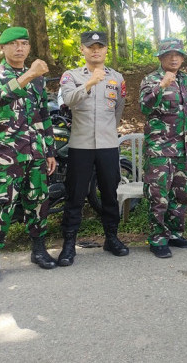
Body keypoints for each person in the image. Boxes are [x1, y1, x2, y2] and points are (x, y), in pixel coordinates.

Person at [0, 26, 57, 284]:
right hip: (7, 154)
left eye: (24, 43)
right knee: (2, 204)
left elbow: (43, 114)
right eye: (14, 44)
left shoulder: (38, 79)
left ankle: (38, 250)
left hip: (36, 151)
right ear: (2, 48)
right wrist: (30, 73)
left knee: (38, 201)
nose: (20, 48)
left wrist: (49, 151)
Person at [56, 31, 128, 267]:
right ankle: (69, 244)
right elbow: (68, 100)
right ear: (82, 49)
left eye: (100, 46)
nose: (95, 51)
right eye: (90, 47)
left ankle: (111, 237)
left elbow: (118, 108)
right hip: (81, 145)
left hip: (108, 145)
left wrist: (109, 131)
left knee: (109, 193)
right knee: (75, 195)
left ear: (106, 49)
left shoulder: (117, 78)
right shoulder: (71, 76)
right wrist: (89, 83)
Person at [140, 37, 187, 259]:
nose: (174, 58)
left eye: (178, 55)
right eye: (169, 55)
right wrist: (161, 86)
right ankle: (158, 238)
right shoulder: (151, 79)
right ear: (161, 57)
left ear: (182, 58)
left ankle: (175, 234)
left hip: (182, 148)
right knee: (158, 196)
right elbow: (144, 107)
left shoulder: (186, 80)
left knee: (179, 194)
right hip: (159, 149)